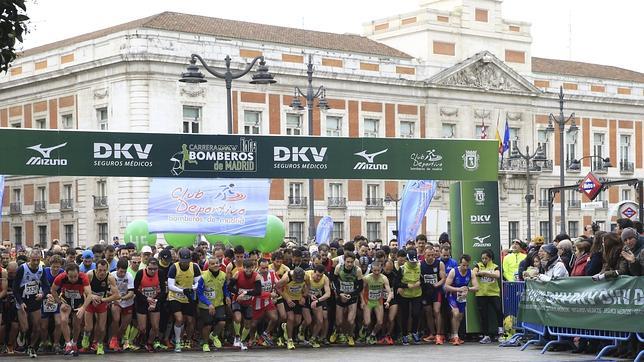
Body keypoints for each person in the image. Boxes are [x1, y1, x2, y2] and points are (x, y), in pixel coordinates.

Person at [50, 263, 92, 356]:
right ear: (66, 274)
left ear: (79, 273)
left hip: (79, 301)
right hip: (66, 300)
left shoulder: (83, 277)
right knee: (64, 320)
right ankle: (68, 344)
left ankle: (74, 343)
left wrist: (83, 308)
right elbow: (53, 290)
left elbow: (89, 295)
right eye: (70, 277)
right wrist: (59, 302)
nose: (73, 279)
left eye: (75, 276)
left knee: (77, 324)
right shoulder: (61, 277)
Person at [14, 250, 49, 358]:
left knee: (37, 327)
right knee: (25, 328)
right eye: (33, 260)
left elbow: (46, 286)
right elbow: (15, 289)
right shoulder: (22, 269)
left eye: (37, 260)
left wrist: (42, 294)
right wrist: (20, 302)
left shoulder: (41, 270)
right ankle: (22, 333)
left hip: (35, 300)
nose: (35, 262)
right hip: (23, 299)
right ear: (29, 259)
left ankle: (31, 347)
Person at [167, 248, 201, 352]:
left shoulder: (194, 267)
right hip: (175, 296)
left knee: (190, 321)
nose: (185, 264)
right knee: (179, 319)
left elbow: (199, 282)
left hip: (189, 296)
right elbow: (170, 285)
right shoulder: (174, 267)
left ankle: (188, 340)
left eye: (187, 262)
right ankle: (177, 341)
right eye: (183, 262)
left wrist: (193, 288)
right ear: (179, 259)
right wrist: (182, 291)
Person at [82, 259, 119, 355]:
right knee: (89, 327)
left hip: (102, 302)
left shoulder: (110, 277)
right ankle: (86, 338)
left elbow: (116, 295)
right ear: (96, 269)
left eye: (104, 270)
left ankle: (100, 344)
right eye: (100, 270)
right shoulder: (90, 275)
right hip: (90, 302)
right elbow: (83, 290)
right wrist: (91, 298)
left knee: (102, 328)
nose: (102, 273)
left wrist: (102, 300)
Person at [196, 256, 230, 352]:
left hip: (219, 303)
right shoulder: (203, 277)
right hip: (206, 305)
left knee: (222, 322)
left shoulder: (223, 275)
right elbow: (199, 293)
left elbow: (225, 289)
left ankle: (214, 335)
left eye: (217, 263)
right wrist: (209, 304)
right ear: (208, 266)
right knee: (208, 325)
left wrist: (227, 296)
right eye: (212, 263)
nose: (215, 265)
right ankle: (205, 343)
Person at [229, 258, 263, 350]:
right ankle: (237, 337)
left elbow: (258, 292)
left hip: (249, 302)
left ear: (253, 267)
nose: (248, 270)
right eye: (246, 268)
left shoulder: (256, 276)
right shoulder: (238, 274)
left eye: (250, 268)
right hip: (237, 300)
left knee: (248, 324)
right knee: (238, 318)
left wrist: (245, 293)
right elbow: (230, 287)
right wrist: (238, 293)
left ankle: (242, 340)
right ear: (243, 268)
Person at [445, 254, 479, 345]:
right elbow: (446, 286)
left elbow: (476, 287)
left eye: (467, 265)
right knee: (455, 313)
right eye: (463, 265)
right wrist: (458, 289)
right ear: (460, 263)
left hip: (462, 297)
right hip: (452, 295)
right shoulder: (453, 271)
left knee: (459, 317)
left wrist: (468, 289)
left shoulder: (470, 272)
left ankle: (453, 335)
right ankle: (456, 336)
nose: (465, 267)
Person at [134, 257, 165, 351]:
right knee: (142, 328)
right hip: (142, 301)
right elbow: (135, 290)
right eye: (150, 269)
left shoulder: (160, 273)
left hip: (155, 300)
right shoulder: (140, 273)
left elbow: (163, 290)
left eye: (155, 269)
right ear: (146, 267)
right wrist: (146, 299)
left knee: (155, 327)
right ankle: (140, 340)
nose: (152, 271)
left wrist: (155, 301)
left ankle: (149, 342)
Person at [332, 251, 363, 347]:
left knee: (350, 320)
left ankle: (350, 336)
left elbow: (360, 286)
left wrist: (352, 294)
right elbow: (334, 282)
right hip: (341, 295)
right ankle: (336, 331)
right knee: (339, 321)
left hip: (352, 296)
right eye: (348, 262)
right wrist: (340, 293)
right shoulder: (338, 268)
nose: (349, 264)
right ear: (344, 261)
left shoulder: (357, 270)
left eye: (351, 262)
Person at [472, 249, 503, 344]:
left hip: (493, 293)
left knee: (498, 310)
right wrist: (480, 273)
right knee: (483, 315)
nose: (484, 260)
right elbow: (473, 273)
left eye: (486, 258)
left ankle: (501, 332)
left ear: (490, 258)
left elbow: (497, 275)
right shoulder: (478, 265)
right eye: (482, 258)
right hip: (481, 294)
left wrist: (485, 273)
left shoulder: (495, 266)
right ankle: (486, 335)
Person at [277, 266, 310, 350]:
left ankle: (286, 327)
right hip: (288, 298)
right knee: (291, 318)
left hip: (298, 298)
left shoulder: (306, 277)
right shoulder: (286, 278)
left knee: (298, 321)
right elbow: (277, 287)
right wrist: (287, 299)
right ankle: (289, 340)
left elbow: (308, 286)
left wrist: (304, 296)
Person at [360, 261, 392, 345]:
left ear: (381, 269)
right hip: (368, 301)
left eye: (378, 270)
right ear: (371, 270)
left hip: (378, 301)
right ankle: (364, 326)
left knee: (380, 322)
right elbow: (362, 290)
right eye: (375, 271)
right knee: (367, 322)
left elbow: (389, 292)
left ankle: (372, 335)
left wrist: (388, 301)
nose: (377, 272)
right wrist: (362, 301)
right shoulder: (367, 278)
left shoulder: (384, 278)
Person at [420, 247, 446, 345]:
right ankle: (432, 333)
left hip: (436, 290)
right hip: (426, 292)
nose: (431, 257)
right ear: (424, 255)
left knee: (437, 311)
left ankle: (439, 335)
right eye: (428, 255)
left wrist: (436, 284)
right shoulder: (420, 264)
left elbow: (443, 278)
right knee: (428, 312)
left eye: (432, 255)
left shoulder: (439, 263)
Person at [109, 258, 135, 352]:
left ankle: (117, 339)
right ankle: (113, 339)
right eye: (121, 271)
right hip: (115, 300)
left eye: (124, 271)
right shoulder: (111, 275)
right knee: (116, 319)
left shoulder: (129, 276)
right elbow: (108, 291)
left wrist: (122, 298)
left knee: (124, 325)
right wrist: (114, 297)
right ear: (117, 269)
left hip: (127, 301)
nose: (123, 274)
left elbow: (131, 293)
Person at [40, 255, 64, 354]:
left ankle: (56, 343)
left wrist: (58, 298)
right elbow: (40, 285)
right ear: (50, 265)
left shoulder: (63, 273)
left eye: (57, 267)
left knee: (59, 323)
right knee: (43, 325)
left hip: (57, 300)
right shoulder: (44, 271)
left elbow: (64, 288)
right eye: (54, 267)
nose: (55, 269)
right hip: (45, 299)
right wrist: (46, 295)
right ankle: (44, 342)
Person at [304, 264, 331, 348]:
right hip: (305, 297)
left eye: (321, 275)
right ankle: (300, 332)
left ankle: (313, 338)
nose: (319, 278)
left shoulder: (325, 278)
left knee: (320, 320)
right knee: (308, 320)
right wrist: (308, 295)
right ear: (313, 272)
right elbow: (299, 287)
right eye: (317, 275)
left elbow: (328, 294)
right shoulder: (307, 274)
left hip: (317, 298)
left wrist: (317, 300)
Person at [253, 258, 279, 347]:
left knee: (274, 318)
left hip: (268, 301)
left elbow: (279, 284)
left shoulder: (272, 273)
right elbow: (256, 292)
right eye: (263, 268)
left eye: (267, 267)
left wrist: (276, 293)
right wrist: (270, 294)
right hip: (256, 302)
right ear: (258, 267)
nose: (265, 270)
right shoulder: (255, 275)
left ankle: (265, 335)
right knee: (253, 324)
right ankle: (251, 339)